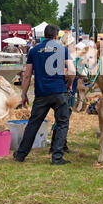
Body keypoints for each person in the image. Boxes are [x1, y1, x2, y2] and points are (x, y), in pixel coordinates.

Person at [14, 25, 75, 165]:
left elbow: (27, 74)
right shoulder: (63, 49)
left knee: (33, 124)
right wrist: (70, 85)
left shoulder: (34, 50)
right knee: (62, 123)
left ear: (44, 36)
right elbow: (71, 71)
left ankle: (21, 155)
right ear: (56, 36)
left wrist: (23, 95)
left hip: (41, 93)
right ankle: (57, 157)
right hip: (59, 91)